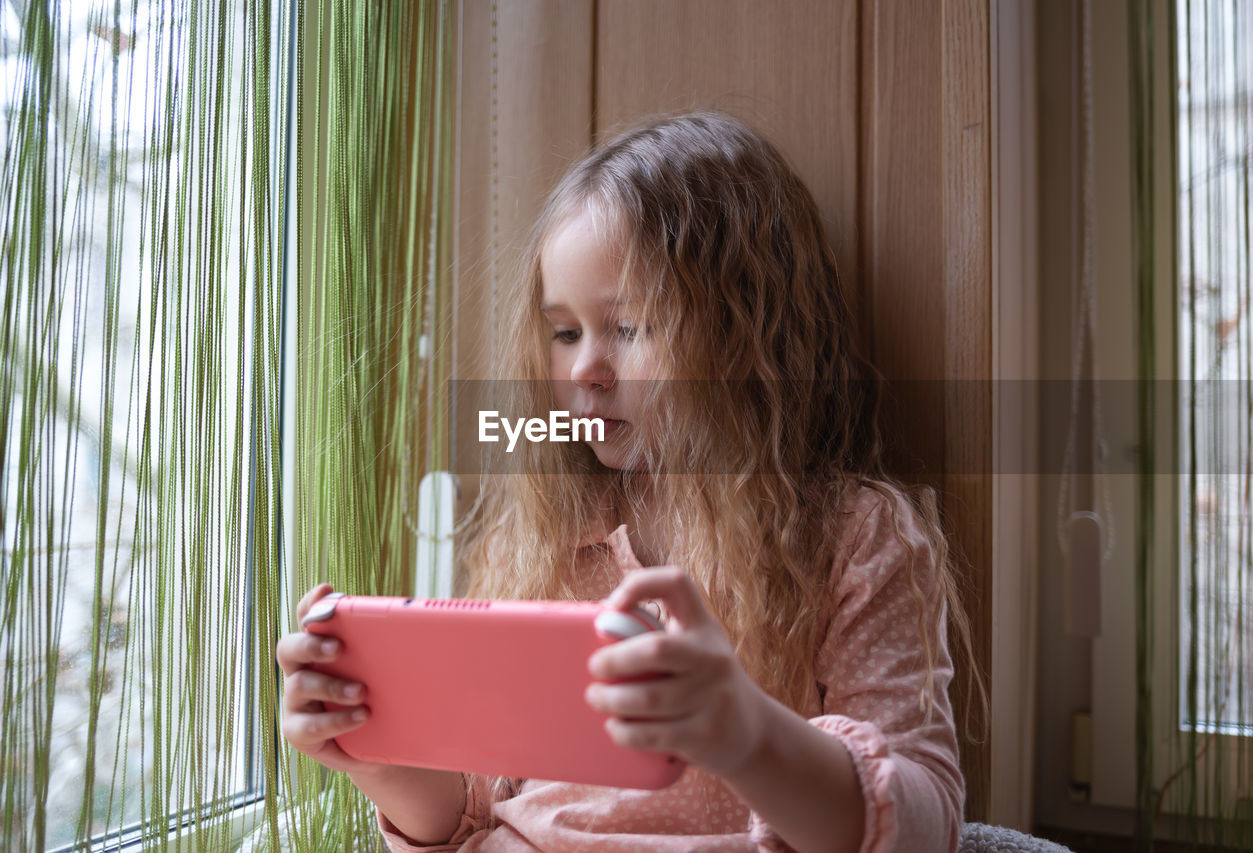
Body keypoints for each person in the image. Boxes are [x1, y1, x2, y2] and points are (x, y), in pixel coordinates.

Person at [275, 111, 977, 852]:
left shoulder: (855, 536)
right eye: (567, 332)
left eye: (629, 327)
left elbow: (925, 822)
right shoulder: (541, 536)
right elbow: (467, 814)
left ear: (745, 334)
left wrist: (745, 732)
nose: (584, 369)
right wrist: (378, 759)